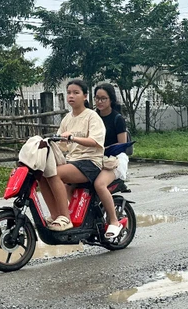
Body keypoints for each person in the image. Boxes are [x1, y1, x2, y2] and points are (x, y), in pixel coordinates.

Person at [37, 79, 106, 232]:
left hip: (90, 163)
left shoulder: (92, 117)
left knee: (54, 173)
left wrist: (72, 137)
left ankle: (65, 217)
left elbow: (94, 141)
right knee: (41, 175)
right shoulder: (67, 119)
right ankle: (55, 215)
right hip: (73, 162)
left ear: (85, 96)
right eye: (69, 93)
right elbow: (61, 145)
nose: (71, 96)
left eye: (76, 92)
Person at [93, 82, 129, 240]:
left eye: (103, 98)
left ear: (110, 100)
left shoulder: (117, 118)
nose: (100, 102)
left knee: (99, 184)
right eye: (97, 98)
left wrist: (104, 148)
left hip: (114, 159)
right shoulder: (93, 117)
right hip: (95, 158)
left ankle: (114, 221)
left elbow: (122, 145)